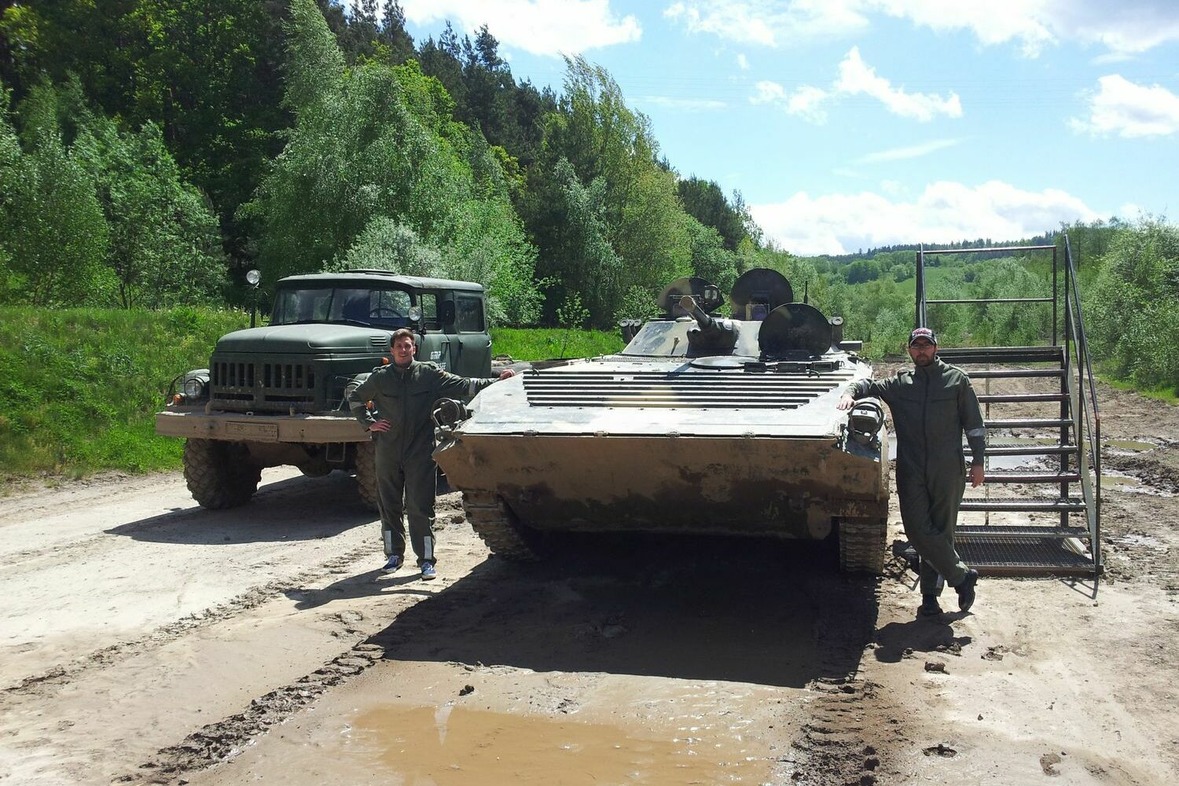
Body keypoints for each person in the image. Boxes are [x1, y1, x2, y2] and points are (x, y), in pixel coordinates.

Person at [837, 326, 986, 617]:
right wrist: (849, 392)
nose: (922, 351)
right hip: (912, 467)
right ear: (909, 351)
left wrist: (978, 461)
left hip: (947, 468)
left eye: (926, 346)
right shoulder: (901, 384)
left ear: (935, 348)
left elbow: (974, 425)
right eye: (916, 346)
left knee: (942, 532)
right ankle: (961, 577)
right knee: (918, 529)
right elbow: (869, 386)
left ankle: (930, 598)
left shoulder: (957, 380)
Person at [347, 328, 516, 580]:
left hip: (419, 450)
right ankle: (393, 556)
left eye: (408, 346)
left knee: (420, 506)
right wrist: (368, 422)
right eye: (399, 347)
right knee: (389, 505)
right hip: (388, 450)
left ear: (414, 348)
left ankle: (426, 560)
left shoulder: (427, 373)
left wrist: (497, 381)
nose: (404, 350)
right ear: (392, 351)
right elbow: (355, 396)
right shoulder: (381, 378)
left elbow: (463, 384)